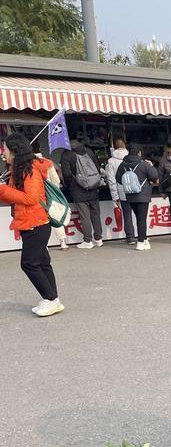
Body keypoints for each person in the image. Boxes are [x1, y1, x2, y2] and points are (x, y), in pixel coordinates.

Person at [0, 132, 64, 316]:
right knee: (43, 263)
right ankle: (53, 299)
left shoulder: (30, 170)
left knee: (29, 264)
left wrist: (3, 189)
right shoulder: (19, 170)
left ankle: (51, 298)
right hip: (31, 223)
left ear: (14, 151)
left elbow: (31, 198)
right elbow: (14, 197)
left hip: (36, 223)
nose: (2, 152)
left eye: (4, 149)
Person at [61, 135, 103, 249]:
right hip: (93, 187)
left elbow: (67, 174)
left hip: (78, 189)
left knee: (85, 216)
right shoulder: (88, 151)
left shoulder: (66, 154)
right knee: (95, 214)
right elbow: (97, 168)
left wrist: (69, 185)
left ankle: (88, 241)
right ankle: (98, 239)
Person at [115, 143, 159, 250]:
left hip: (130, 195)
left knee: (139, 217)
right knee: (141, 219)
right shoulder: (144, 164)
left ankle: (143, 239)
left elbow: (118, 179)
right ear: (139, 152)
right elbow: (154, 176)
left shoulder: (123, 164)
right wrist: (151, 166)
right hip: (143, 195)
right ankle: (141, 242)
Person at [33, 147, 68, 250]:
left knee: (41, 221)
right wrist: (54, 191)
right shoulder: (48, 162)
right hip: (50, 195)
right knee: (55, 216)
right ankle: (63, 243)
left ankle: (44, 245)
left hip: (37, 197)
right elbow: (56, 180)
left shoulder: (29, 165)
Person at [105, 138, 135, 245]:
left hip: (122, 191)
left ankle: (130, 237)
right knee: (139, 214)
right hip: (135, 190)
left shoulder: (111, 161)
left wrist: (115, 196)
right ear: (124, 146)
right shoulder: (132, 157)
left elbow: (111, 180)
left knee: (127, 214)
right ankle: (142, 235)